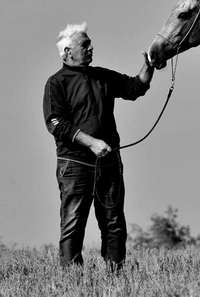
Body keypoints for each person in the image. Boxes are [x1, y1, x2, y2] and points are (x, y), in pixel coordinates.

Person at [43, 22, 154, 269]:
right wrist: (92, 142)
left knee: (114, 223)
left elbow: (135, 87)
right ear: (68, 52)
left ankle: (116, 279)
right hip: (74, 165)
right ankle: (72, 283)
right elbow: (56, 124)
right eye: (85, 44)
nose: (91, 47)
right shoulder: (56, 83)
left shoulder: (102, 75)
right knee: (73, 224)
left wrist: (149, 65)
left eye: (90, 43)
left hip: (109, 162)